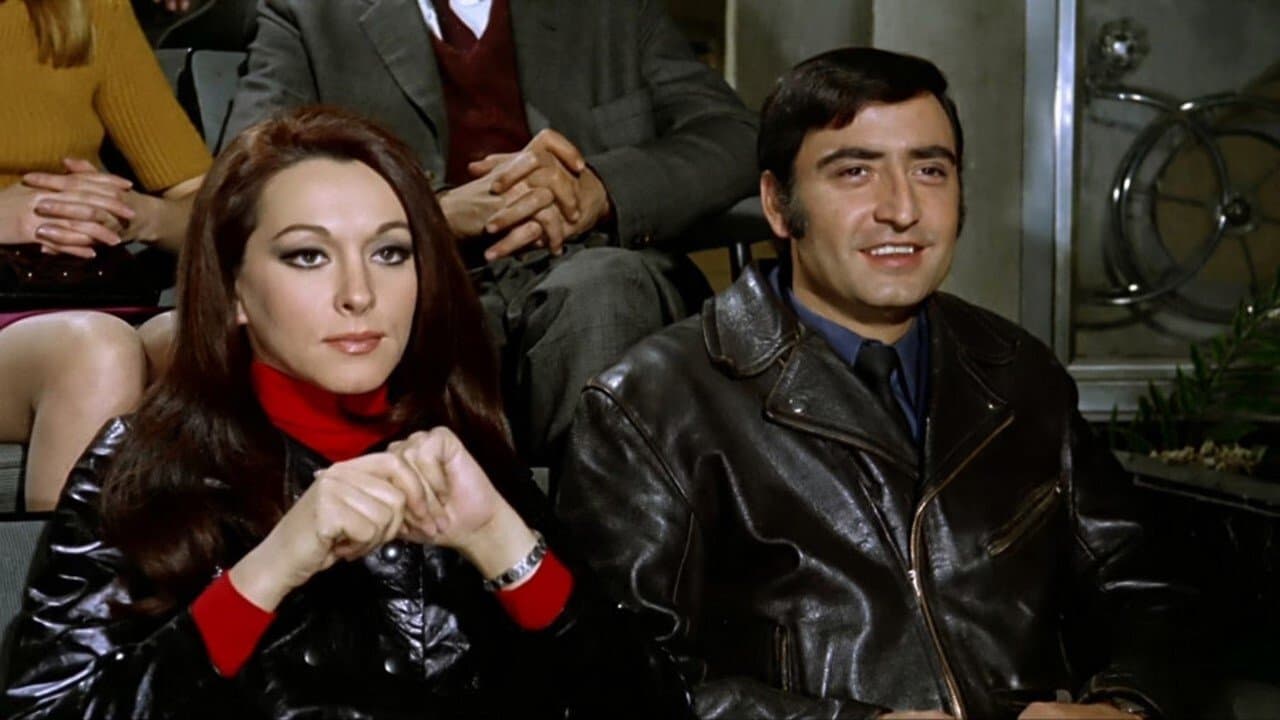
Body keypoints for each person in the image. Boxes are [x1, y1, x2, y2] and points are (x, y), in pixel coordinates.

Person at [557, 48, 1202, 719]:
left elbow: (1148, 593)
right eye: (855, 172)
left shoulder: (1018, 372)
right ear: (778, 204)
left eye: (930, 170)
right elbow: (620, 685)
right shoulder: (651, 406)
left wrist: (1125, 707)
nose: (902, 210)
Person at [0, 107, 692, 719]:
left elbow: (651, 704)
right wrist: (273, 569)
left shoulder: (470, 455)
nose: (359, 294)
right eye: (308, 256)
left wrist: (503, 545)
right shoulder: (139, 468)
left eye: (390, 252)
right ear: (234, 289)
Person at [221, 0, 758, 467]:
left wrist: (601, 188)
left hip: (593, 266)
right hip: (425, 285)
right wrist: (431, 215)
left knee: (603, 292)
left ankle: (594, 546)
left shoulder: (608, 10)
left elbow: (735, 134)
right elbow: (246, 179)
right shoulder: (308, 14)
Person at [0, 0, 211, 509]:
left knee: (213, 344)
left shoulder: (88, 9)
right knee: (94, 351)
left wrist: (136, 213)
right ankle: (68, 563)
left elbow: (212, 204)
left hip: (92, 289)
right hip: (52, 328)